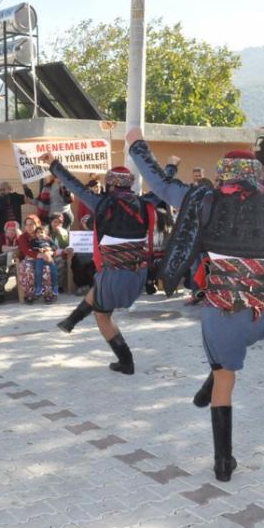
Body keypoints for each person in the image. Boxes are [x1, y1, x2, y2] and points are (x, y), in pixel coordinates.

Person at [127, 128, 264, 482]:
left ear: (222, 173)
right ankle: (213, 376)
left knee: (224, 379)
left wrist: (135, 143)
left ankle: (223, 462)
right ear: (257, 175)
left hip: (222, 311)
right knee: (226, 358)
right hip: (263, 316)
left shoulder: (204, 200)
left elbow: (157, 180)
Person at [44, 153, 163, 377]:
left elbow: (74, 185)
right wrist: (172, 168)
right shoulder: (145, 201)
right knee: (98, 286)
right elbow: (162, 186)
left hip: (117, 275)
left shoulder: (101, 202)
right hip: (138, 274)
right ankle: (71, 320)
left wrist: (53, 164)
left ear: (110, 184)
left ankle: (126, 361)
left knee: (102, 315)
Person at [16, 216, 57, 304]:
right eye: (27, 225)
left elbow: (52, 246)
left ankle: (48, 294)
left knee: (47, 269)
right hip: (29, 258)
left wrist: (50, 252)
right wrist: (41, 255)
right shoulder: (23, 237)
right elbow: (26, 251)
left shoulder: (42, 233)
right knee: (27, 268)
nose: (29, 227)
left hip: (44, 258)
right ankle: (30, 294)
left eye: (31, 224)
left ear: (37, 224)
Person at [0, 181, 32, 251]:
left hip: (15, 228)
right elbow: (1, 206)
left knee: (18, 246)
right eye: (0, 190)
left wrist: (25, 187)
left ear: (9, 189)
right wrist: (8, 194)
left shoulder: (15, 197)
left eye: (4, 189)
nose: (2, 191)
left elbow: (29, 198)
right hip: (2, 229)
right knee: (0, 248)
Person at [0, 221, 21, 303]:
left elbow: (22, 246)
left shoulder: (18, 237)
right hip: (3, 262)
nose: (11, 232)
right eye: (9, 230)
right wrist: (15, 248)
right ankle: (0, 294)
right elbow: (3, 248)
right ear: (6, 230)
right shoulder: (1, 236)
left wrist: (19, 234)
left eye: (13, 230)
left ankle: (23, 292)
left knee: (22, 269)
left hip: (16, 263)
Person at [30, 225, 59, 301]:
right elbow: (32, 247)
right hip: (40, 258)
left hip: (49, 258)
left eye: (41, 232)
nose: (40, 234)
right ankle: (39, 287)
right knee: (38, 271)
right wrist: (39, 249)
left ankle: (55, 287)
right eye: (38, 233)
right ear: (35, 234)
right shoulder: (34, 241)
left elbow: (55, 247)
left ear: (46, 233)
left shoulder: (48, 240)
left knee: (54, 270)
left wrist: (49, 248)